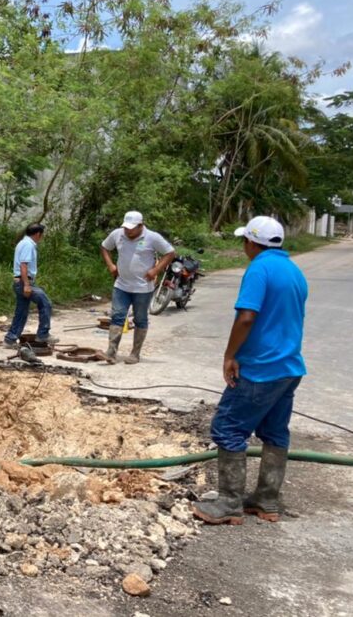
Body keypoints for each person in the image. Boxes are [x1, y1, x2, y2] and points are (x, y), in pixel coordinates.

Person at [192, 216, 308, 525]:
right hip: (288, 368)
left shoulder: (259, 268)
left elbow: (246, 316)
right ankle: (267, 499)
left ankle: (229, 502)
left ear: (251, 242)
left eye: (244, 241)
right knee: (274, 432)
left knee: (228, 428)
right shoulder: (294, 271)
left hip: (260, 369)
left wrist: (230, 355)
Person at [99, 211, 175, 364]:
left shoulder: (152, 237)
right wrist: (111, 265)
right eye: (126, 228)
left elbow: (170, 253)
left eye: (131, 228)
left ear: (141, 225)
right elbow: (104, 247)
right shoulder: (117, 234)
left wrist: (155, 270)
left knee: (140, 319)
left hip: (142, 288)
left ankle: (135, 353)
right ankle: (111, 352)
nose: (128, 231)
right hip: (121, 285)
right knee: (117, 316)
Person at [4, 223, 56, 348]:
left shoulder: (23, 243)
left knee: (21, 312)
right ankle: (43, 334)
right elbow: (24, 265)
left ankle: (10, 339)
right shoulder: (28, 245)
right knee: (45, 302)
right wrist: (27, 285)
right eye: (41, 235)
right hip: (24, 282)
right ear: (38, 234)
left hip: (20, 281)